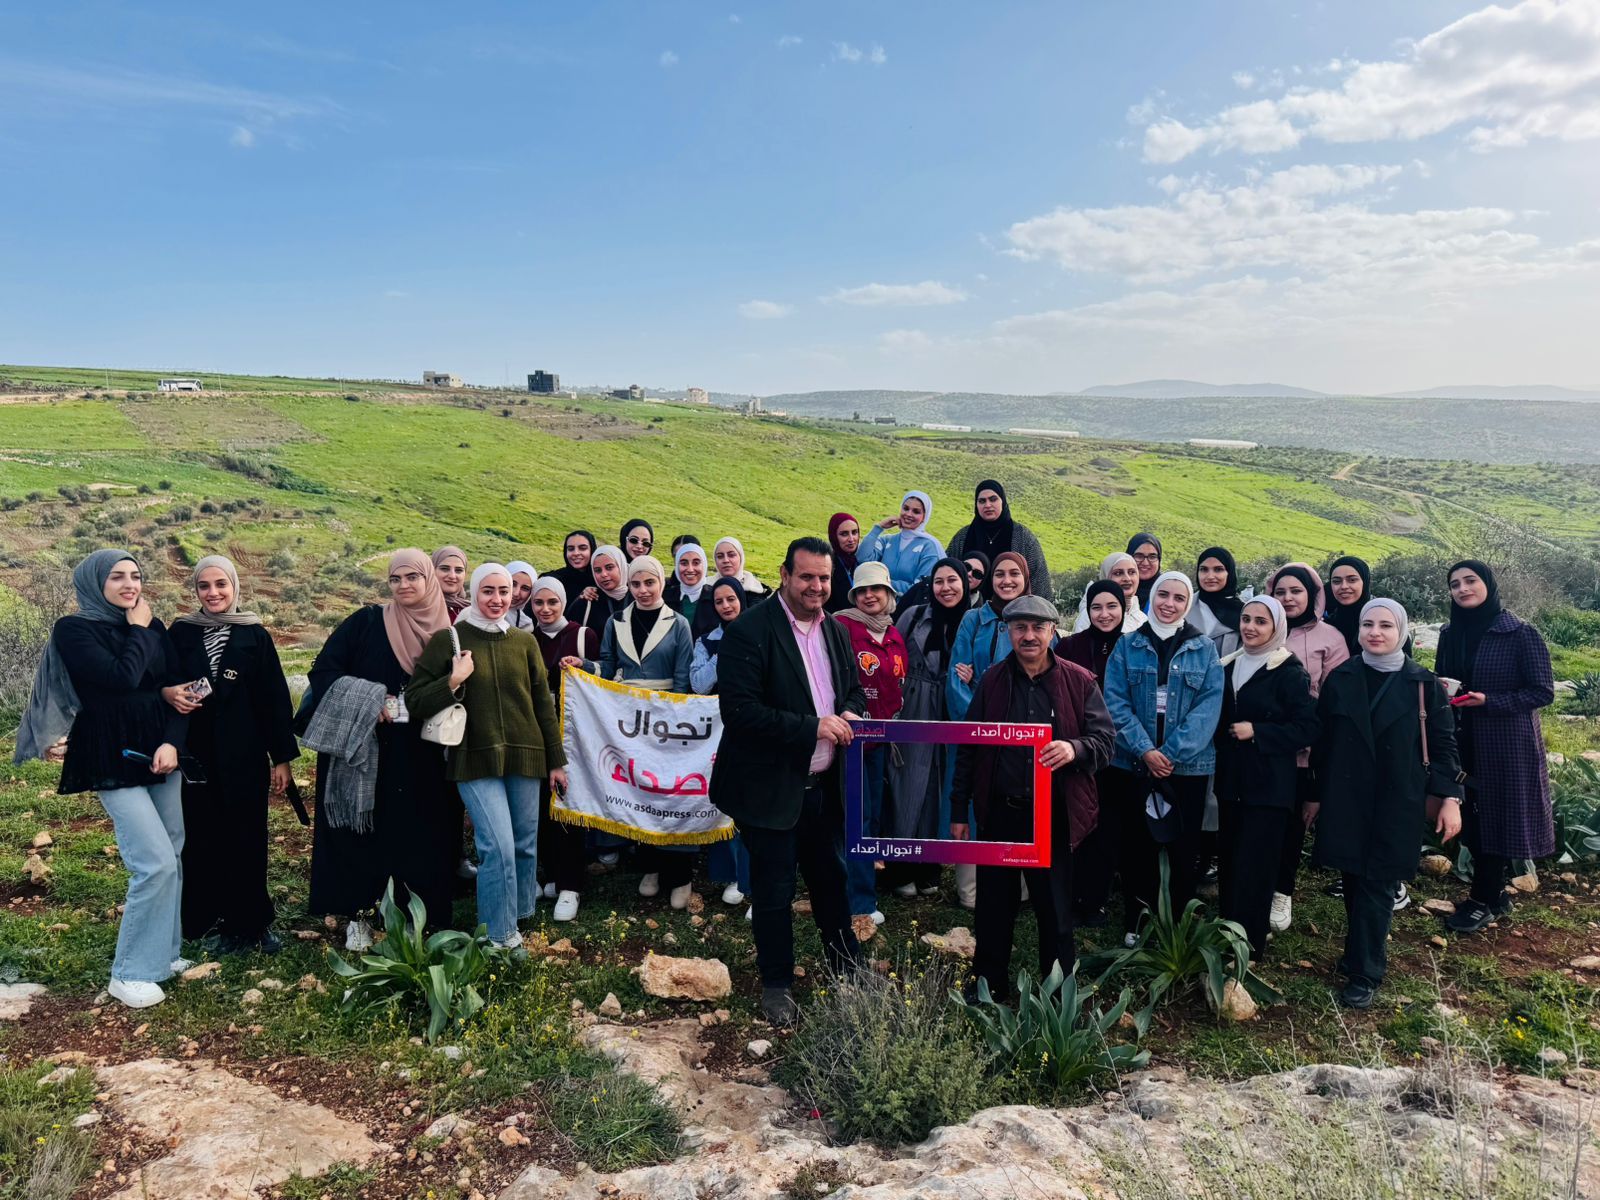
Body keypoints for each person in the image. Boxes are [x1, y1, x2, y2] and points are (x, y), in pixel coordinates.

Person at [20, 550, 190, 1008]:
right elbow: (120, 678)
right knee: (153, 862)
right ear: (95, 583)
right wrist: (139, 630)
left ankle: (165, 955)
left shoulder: (152, 627)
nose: (130, 584)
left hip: (159, 753)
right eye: (117, 577)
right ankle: (130, 972)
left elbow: (179, 690)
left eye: (136, 575)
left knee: (172, 853)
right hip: (110, 754)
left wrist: (172, 742)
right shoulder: (74, 629)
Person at [709, 536, 866, 1028]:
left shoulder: (835, 630)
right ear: (784, 574)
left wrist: (849, 711)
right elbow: (739, 712)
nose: (816, 587)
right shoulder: (749, 631)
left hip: (824, 786)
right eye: (807, 577)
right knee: (774, 890)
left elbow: (854, 691)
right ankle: (776, 984)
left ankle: (848, 967)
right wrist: (813, 726)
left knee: (832, 882)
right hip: (770, 788)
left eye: (824, 578)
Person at [952, 595, 1114, 999]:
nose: (1029, 636)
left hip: (1054, 814)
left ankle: (1058, 993)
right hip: (1000, 812)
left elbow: (1105, 741)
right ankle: (989, 986)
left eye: (1038, 627)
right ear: (1008, 632)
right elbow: (969, 747)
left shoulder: (1079, 681)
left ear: (1052, 631)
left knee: (1055, 908)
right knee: (993, 906)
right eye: (1020, 627)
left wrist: (1074, 748)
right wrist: (958, 809)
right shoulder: (991, 680)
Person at [1310, 599, 1463, 1008]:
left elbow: (1445, 746)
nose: (1375, 633)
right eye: (1367, 624)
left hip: (1398, 798)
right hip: (1347, 795)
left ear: (1402, 631)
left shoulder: (1423, 684)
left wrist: (1450, 798)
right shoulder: (1342, 678)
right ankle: (1356, 952)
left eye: (1385, 625)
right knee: (1353, 877)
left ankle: (1366, 971)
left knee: (1378, 883)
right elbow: (1323, 742)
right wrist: (1314, 795)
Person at [408, 564, 568, 949]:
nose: (497, 600)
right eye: (488, 591)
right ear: (475, 591)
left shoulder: (524, 641)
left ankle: (520, 915)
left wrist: (556, 761)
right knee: (497, 846)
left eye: (504, 591)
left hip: (525, 756)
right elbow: (415, 700)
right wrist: (453, 679)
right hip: (473, 758)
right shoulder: (449, 639)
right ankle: (499, 936)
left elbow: (542, 706)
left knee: (524, 844)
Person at [306, 549, 456, 951]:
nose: (403, 585)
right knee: (364, 826)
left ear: (429, 579)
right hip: (367, 745)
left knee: (418, 829)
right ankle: (359, 914)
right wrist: (368, 700)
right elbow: (324, 671)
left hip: (422, 750)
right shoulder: (366, 622)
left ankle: (413, 915)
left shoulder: (449, 633)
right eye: (395, 579)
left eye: (412, 577)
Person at [168, 555, 299, 954]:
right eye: (204, 586)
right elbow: (161, 681)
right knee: (201, 837)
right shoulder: (181, 632)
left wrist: (281, 758)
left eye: (220, 584)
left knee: (247, 836)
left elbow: (273, 700)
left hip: (244, 754)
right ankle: (204, 920)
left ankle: (252, 922)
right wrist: (167, 695)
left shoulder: (254, 635)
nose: (213, 593)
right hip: (195, 755)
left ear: (235, 586)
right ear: (195, 590)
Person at [1101, 571, 1224, 941]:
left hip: (1187, 767)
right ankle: (1137, 923)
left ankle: (1176, 926)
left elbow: (1208, 709)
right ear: (1152, 596)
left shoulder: (1205, 649)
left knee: (1182, 848)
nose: (1169, 604)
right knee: (1137, 846)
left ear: (1188, 604)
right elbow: (1115, 703)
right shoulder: (1127, 645)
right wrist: (1146, 750)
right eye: (1163, 595)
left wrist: (1168, 754)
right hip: (1134, 763)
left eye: (1179, 598)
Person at [1436, 560, 1555, 934]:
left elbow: (1542, 692)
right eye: (1455, 584)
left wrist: (1489, 701)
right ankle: (1496, 895)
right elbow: (1443, 676)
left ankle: (1481, 900)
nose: (1462, 589)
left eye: (1470, 581)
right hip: (1462, 734)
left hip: (1506, 742)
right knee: (1470, 811)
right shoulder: (1450, 632)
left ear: (1488, 584)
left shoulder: (1519, 633)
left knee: (1497, 814)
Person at [1212, 596, 1319, 957]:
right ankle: (1228, 932)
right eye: (1246, 619)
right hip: (1231, 782)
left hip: (1269, 786)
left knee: (1256, 864)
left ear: (1276, 628)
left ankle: (1250, 943)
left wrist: (1258, 731)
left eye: (1261, 621)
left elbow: (1308, 727)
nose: (1250, 627)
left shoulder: (1288, 671)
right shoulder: (1229, 664)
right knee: (1230, 858)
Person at [599, 556, 697, 906]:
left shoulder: (679, 624)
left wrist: (675, 719)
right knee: (640, 790)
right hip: (630, 716)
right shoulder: (616, 621)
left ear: (661, 583)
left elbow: (683, 674)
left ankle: (681, 874)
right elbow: (608, 664)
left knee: (672, 791)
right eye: (636, 584)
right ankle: (650, 865)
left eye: (649, 583)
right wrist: (585, 667)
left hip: (668, 716)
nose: (643, 590)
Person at [1265, 563, 1352, 929]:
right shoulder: (1259, 628)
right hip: (1261, 744)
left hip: (1303, 749)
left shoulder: (1330, 638)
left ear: (1312, 595)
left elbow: (1334, 699)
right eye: (1280, 592)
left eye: (1296, 591)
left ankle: (1282, 891)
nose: (1288, 598)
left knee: (1292, 823)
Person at [832, 561, 910, 925]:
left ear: (888, 593)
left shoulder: (893, 634)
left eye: (875, 588)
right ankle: (859, 901)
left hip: (881, 739)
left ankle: (863, 887)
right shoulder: (841, 626)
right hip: (850, 739)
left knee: (874, 813)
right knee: (857, 817)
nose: (868, 595)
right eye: (861, 590)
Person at [887, 558, 970, 897]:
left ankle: (929, 865)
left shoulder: (972, 621)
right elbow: (893, 655)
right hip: (915, 704)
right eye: (939, 581)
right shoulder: (914, 615)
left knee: (940, 784)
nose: (945, 588)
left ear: (965, 583)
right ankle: (900, 867)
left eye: (952, 580)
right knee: (908, 782)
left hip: (952, 707)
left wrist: (970, 676)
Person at [1061, 579, 1132, 927]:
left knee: (1107, 827)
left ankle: (1095, 900)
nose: (1104, 614)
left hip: (1119, 752)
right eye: (1096, 607)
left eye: (1112, 606)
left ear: (1124, 608)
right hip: (1078, 750)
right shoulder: (1069, 646)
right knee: (1075, 822)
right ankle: (1070, 896)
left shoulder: (1133, 646)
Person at [528, 576, 595, 922]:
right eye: (538, 603)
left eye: (552, 602)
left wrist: (584, 667)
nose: (545, 609)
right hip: (536, 732)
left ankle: (571, 884)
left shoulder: (582, 635)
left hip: (573, 733)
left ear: (563, 602)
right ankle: (551, 874)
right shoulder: (527, 638)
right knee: (541, 806)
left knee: (568, 803)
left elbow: (603, 684)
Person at [691, 576, 753, 908]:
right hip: (716, 733)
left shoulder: (759, 633)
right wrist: (725, 648)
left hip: (752, 728)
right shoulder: (706, 641)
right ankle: (729, 875)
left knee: (750, 804)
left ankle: (750, 876)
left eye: (731, 599)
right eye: (719, 601)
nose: (726, 606)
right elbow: (699, 684)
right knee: (722, 801)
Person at [948, 552, 1032, 718]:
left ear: (1025, 578)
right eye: (999, 574)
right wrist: (977, 721)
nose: (1006, 580)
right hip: (976, 723)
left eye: (1014, 573)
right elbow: (956, 678)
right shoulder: (973, 619)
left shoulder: (1039, 623)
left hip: (1020, 724)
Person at [944, 480, 1052, 598]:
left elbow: (1039, 579)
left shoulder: (1023, 537)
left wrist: (1037, 607)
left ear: (1003, 501)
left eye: (993, 499)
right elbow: (947, 572)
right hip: (968, 606)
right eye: (982, 501)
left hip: (1014, 607)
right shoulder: (962, 537)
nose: (987, 505)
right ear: (976, 505)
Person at [857, 491, 943, 594]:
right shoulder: (887, 541)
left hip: (908, 604)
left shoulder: (928, 548)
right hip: (879, 602)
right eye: (905, 508)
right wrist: (878, 528)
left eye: (916, 511)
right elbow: (862, 559)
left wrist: (883, 582)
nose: (908, 514)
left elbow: (921, 587)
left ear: (924, 517)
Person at [1071, 552, 1147, 635]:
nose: (1127, 578)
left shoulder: (1143, 620)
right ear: (1106, 576)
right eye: (1118, 573)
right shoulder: (1092, 616)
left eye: (1132, 572)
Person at [567, 544, 629, 642]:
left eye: (609, 567)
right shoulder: (589, 599)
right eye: (598, 570)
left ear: (621, 566)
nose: (603, 574)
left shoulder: (638, 597)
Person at [1191, 547, 1245, 657]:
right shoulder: (1184, 607)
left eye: (1218, 569)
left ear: (1229, 572)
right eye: (1204, 569)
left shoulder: (1244, 613)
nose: (1210, 576)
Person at [825, 512, 862, 615]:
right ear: (834, 537)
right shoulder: (827, 565)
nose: (851, 539)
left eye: (854, 532)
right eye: (844, 534)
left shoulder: (860, 561)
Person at [711, 536, 768, 602]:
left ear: (741, 558)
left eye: (731, 555)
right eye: (720, 556)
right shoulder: (706, 587)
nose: (726, 560)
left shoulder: (754, 590)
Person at [664, 543, 709, 627]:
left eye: (696, 563)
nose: (690, 569)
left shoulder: (715, 597)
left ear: (704, 565)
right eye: (684, 563)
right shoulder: (665, 598)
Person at [552, 530, 597, 601]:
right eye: (570, 549)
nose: (576, 553)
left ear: (592, 550)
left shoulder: (601, 578)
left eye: (583, 548)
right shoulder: (556, 580)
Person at [432, 546, 470, 621]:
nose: (452, 576)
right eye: (444, 569)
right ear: (432, 571)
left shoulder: (473, 612)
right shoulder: (420, 608)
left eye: (458, 570)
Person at [1126, 533, 1162, 608]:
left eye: (1152, 557)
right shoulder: (1115, 590)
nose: (1145, 563)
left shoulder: (1167, 591)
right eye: (1139, 556)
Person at [506, 560, 539, 630]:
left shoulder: (525, 626)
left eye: (525, 588)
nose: (516, 593)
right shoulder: (481, 610)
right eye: (513, 584)